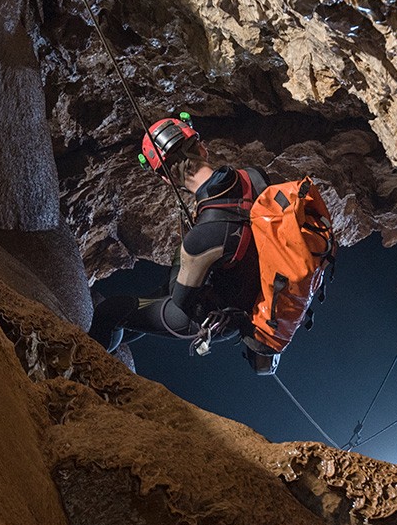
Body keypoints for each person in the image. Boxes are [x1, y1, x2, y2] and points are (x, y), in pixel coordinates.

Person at [90, 116, 278, 371]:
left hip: (213, 316)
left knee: (109, 311)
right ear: (203, 148)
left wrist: (186, 250)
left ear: (167, 179)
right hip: (254, 293)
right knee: (145, 303)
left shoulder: (201, 238)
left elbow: (182, 299)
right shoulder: (254, 176)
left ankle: (84, 376)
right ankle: (122, 338)